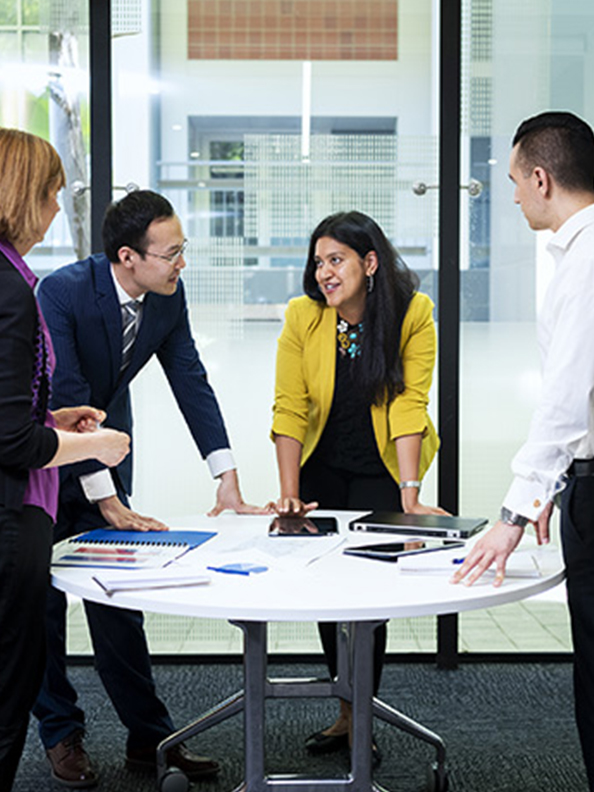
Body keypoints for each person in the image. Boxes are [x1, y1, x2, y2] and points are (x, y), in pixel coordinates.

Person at [33, 189, 268, 788]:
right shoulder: (60, 292)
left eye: (182, 250)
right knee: (42, 610)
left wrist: (228, 477)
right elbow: (66, 395)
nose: (181, 263)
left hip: (109, 447)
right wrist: (106, 501)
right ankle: (62, 735)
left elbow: (190, 376)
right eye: (171, 253)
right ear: (127, 257)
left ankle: (151, 738)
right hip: (44, 458)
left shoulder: (166, 297)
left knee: (117, 601)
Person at [451, 111, 594, 789]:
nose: (510, 197)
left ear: (542, 178)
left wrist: (515, 511)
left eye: (513, 181)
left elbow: (567, 397)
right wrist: (557, 484)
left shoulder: (587, 259)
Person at [271, 210, 446, 760]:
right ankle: (348, 714)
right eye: (318, 261)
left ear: (369, 263)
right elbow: (290, 406)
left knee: (369, 596)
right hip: (322, 468)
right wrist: (289, 492)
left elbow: (409, 402)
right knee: (327, 593)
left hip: (382, 470)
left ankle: (360, 713)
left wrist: (411, 493)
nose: (324, 272)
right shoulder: (303, 315)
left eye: (337, 260)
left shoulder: (412, 313)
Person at [0, 128, 130, 792]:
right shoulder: (15, 291)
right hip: (10, 516)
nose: (56, 209)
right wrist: (94, 448)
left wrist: (55, 419)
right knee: (10, 683)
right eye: (52, 194)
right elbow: (11, 442)